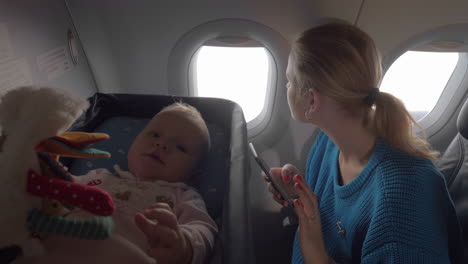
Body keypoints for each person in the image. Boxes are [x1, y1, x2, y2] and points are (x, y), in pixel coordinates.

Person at [266, 20, 463, 263]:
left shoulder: (401, 201)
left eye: (289, 80)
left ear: (312, 101)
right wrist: (299, 194)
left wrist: (314, 249)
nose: (286, 86)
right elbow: (332, 218)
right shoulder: (328, 142)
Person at [16, 102, 218, 264]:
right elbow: (63, 188)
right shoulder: (100, 176)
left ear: (195, 173)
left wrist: (185, 245)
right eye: (154, 134)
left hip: (127, 252)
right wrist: (43, 169)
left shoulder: (184, 195)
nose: (161, 144)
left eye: (181, 147)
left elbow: (203, 227)